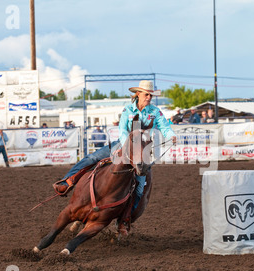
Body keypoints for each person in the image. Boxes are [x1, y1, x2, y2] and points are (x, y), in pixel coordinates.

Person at [53, 80, 177, 230]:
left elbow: (164, 126)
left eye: (151, 95)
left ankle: (124, 220)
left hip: (142, 152)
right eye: (146, 95)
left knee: (139, 190)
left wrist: (171, 135)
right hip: (123, 145)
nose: (149, 98)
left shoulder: (155, 112)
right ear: (138, 94)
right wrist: (127, 147)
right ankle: (67, 182)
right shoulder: (128, 111)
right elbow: (123, 130)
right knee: (92, 159)